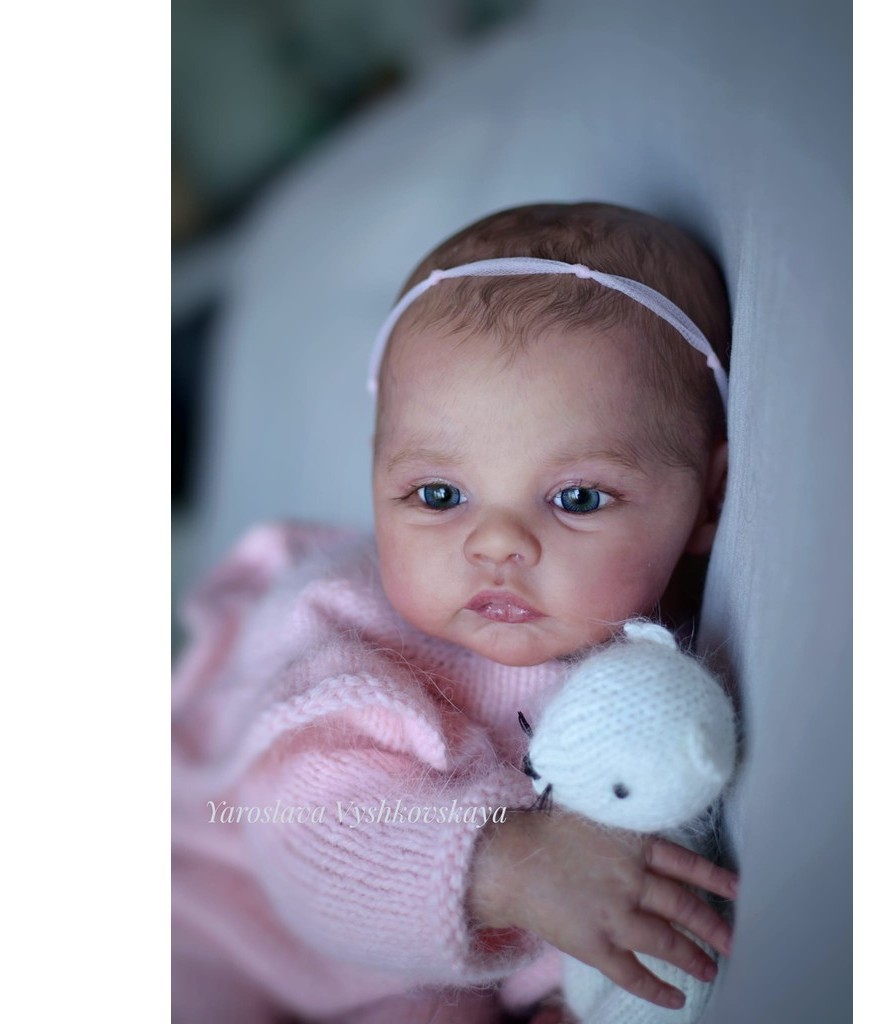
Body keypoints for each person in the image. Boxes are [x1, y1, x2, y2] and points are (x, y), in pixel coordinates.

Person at [172, 202, 739, 1023]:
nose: (496, 544)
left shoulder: (656, 677)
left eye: (578, 498)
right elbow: (315, 842)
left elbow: (613, 852)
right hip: (227, 924)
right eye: (438, 495)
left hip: (427, 984)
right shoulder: (341, 629)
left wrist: (568, 987)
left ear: (709, 499)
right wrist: (511, 868)